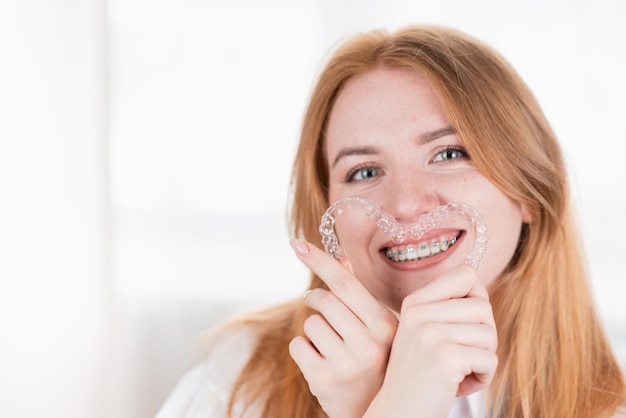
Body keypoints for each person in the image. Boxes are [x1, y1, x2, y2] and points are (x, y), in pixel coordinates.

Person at [156, 25, 626, 418]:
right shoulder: (237, 382)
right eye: (363, 171)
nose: (404, 205)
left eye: (449, 153)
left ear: (528, 190)